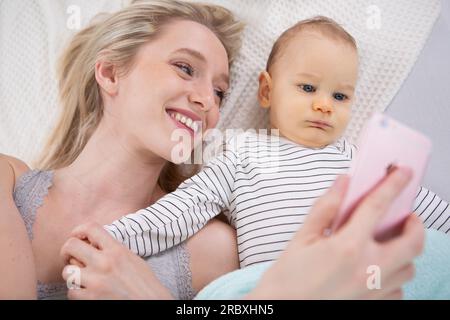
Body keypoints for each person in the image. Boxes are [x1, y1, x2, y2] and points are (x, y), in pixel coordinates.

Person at [0, 0, 424, 300]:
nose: (207, 100)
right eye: (185, 67)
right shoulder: (6, 178)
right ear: (111, 73)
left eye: (220, 92)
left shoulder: (215, 249)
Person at [101, 16, 449, 268]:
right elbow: (183, 209)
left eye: (340, 96)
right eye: (308, 88)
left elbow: (421, 205)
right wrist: (114, 238)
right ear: (267, 90)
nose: (324, 104)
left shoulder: (357, 160)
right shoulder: (242, 154)